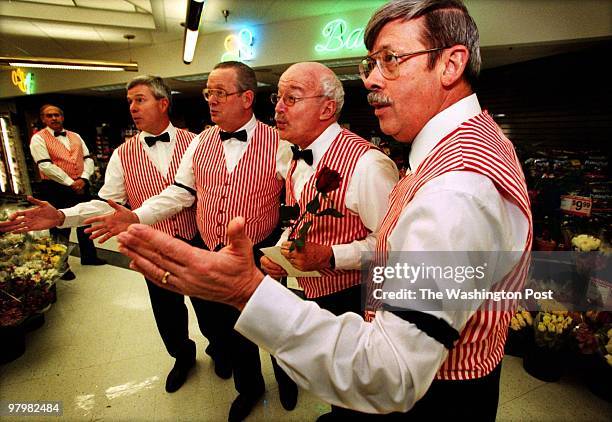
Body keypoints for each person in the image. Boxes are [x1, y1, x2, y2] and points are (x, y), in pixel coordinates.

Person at [117, 0, 532, 419]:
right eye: (371, 62)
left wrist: (245, 290)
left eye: (390, 59)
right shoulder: (462, 149)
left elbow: (389, 374)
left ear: (450, 64)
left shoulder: (455, 187)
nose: (370, 78)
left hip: (440, 401)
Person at [84, 61, 293, 422]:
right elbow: (180, 192)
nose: (210, 100)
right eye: (208, 92)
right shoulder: (199, 143)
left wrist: (285, 247)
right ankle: (250, 387)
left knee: (276, 320)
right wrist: (135, 215)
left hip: (263, 250)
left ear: (246, 98)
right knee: (234, 326)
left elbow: (294, 202)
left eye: (220, 93)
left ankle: (287, 375)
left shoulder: (280, 143)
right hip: (214, 250)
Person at [2, 76, 210, 394]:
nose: (132, 107)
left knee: (209, 306)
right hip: (149, 247)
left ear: (163, 103)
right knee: (167, 311)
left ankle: (220, 348)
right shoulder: (122, 154)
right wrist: (61, 216)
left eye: (140, 99)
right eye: (129, 101)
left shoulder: (198, 142)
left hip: (194, 240)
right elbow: (104, 201)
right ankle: (182, 357)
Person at [261, 61, 398, 418]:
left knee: (358, 374)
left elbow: (392, 245)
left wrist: (333, 255)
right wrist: (283, 251)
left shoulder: (368, 165)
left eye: (292, 98)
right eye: (278, 97)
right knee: (336, 368)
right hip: (315, 288)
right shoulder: (292, 154)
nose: (277, 107)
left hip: (357, 296)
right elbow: (301, 214)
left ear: (326, 108)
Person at [30, 104, 105, 279]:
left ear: (62, 117)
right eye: (49, 116)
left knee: (86, 220)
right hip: (55, 187)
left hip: (81, 183)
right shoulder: (38, 139)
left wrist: (84, 179)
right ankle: (61, 266)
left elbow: (88, 159)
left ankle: (89, 256)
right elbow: (45, 165)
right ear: (43, 119)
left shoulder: (75, 136)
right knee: (58, 226)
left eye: (57, 115)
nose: (54, 118)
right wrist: (71, 182)